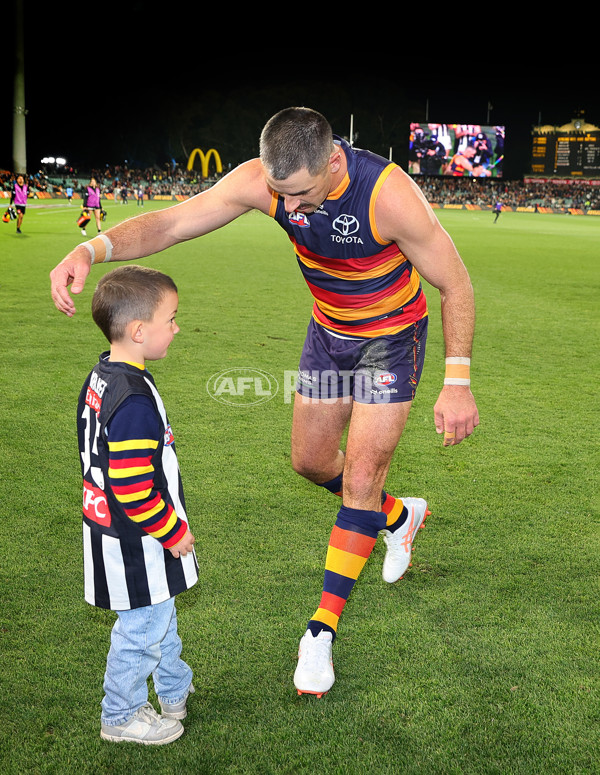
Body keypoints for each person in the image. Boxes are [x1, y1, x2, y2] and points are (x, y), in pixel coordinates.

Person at [51, 107, 479, 698]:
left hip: (390, 340)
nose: (291, 208)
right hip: (329, 335)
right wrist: (92, 249)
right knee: (310, 461)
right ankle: (399, 517)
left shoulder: (390, 195)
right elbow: (173, 224)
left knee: (360, 480)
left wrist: (456, 380)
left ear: (334, 163)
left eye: (301, 194)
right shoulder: (264, 181)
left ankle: (320, 631)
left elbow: (455, 282)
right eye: (282, 195)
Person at [78, 264, 198, 743]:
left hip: (115, 528)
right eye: (171, 319)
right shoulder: (132, 401)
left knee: (158, 614)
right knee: (142, 626)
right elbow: (131, 487)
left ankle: (173, 688)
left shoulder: (105, 374)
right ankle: (121, 715)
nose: (177, 328)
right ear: (138, 331)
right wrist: (173, 532)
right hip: (137, 537)